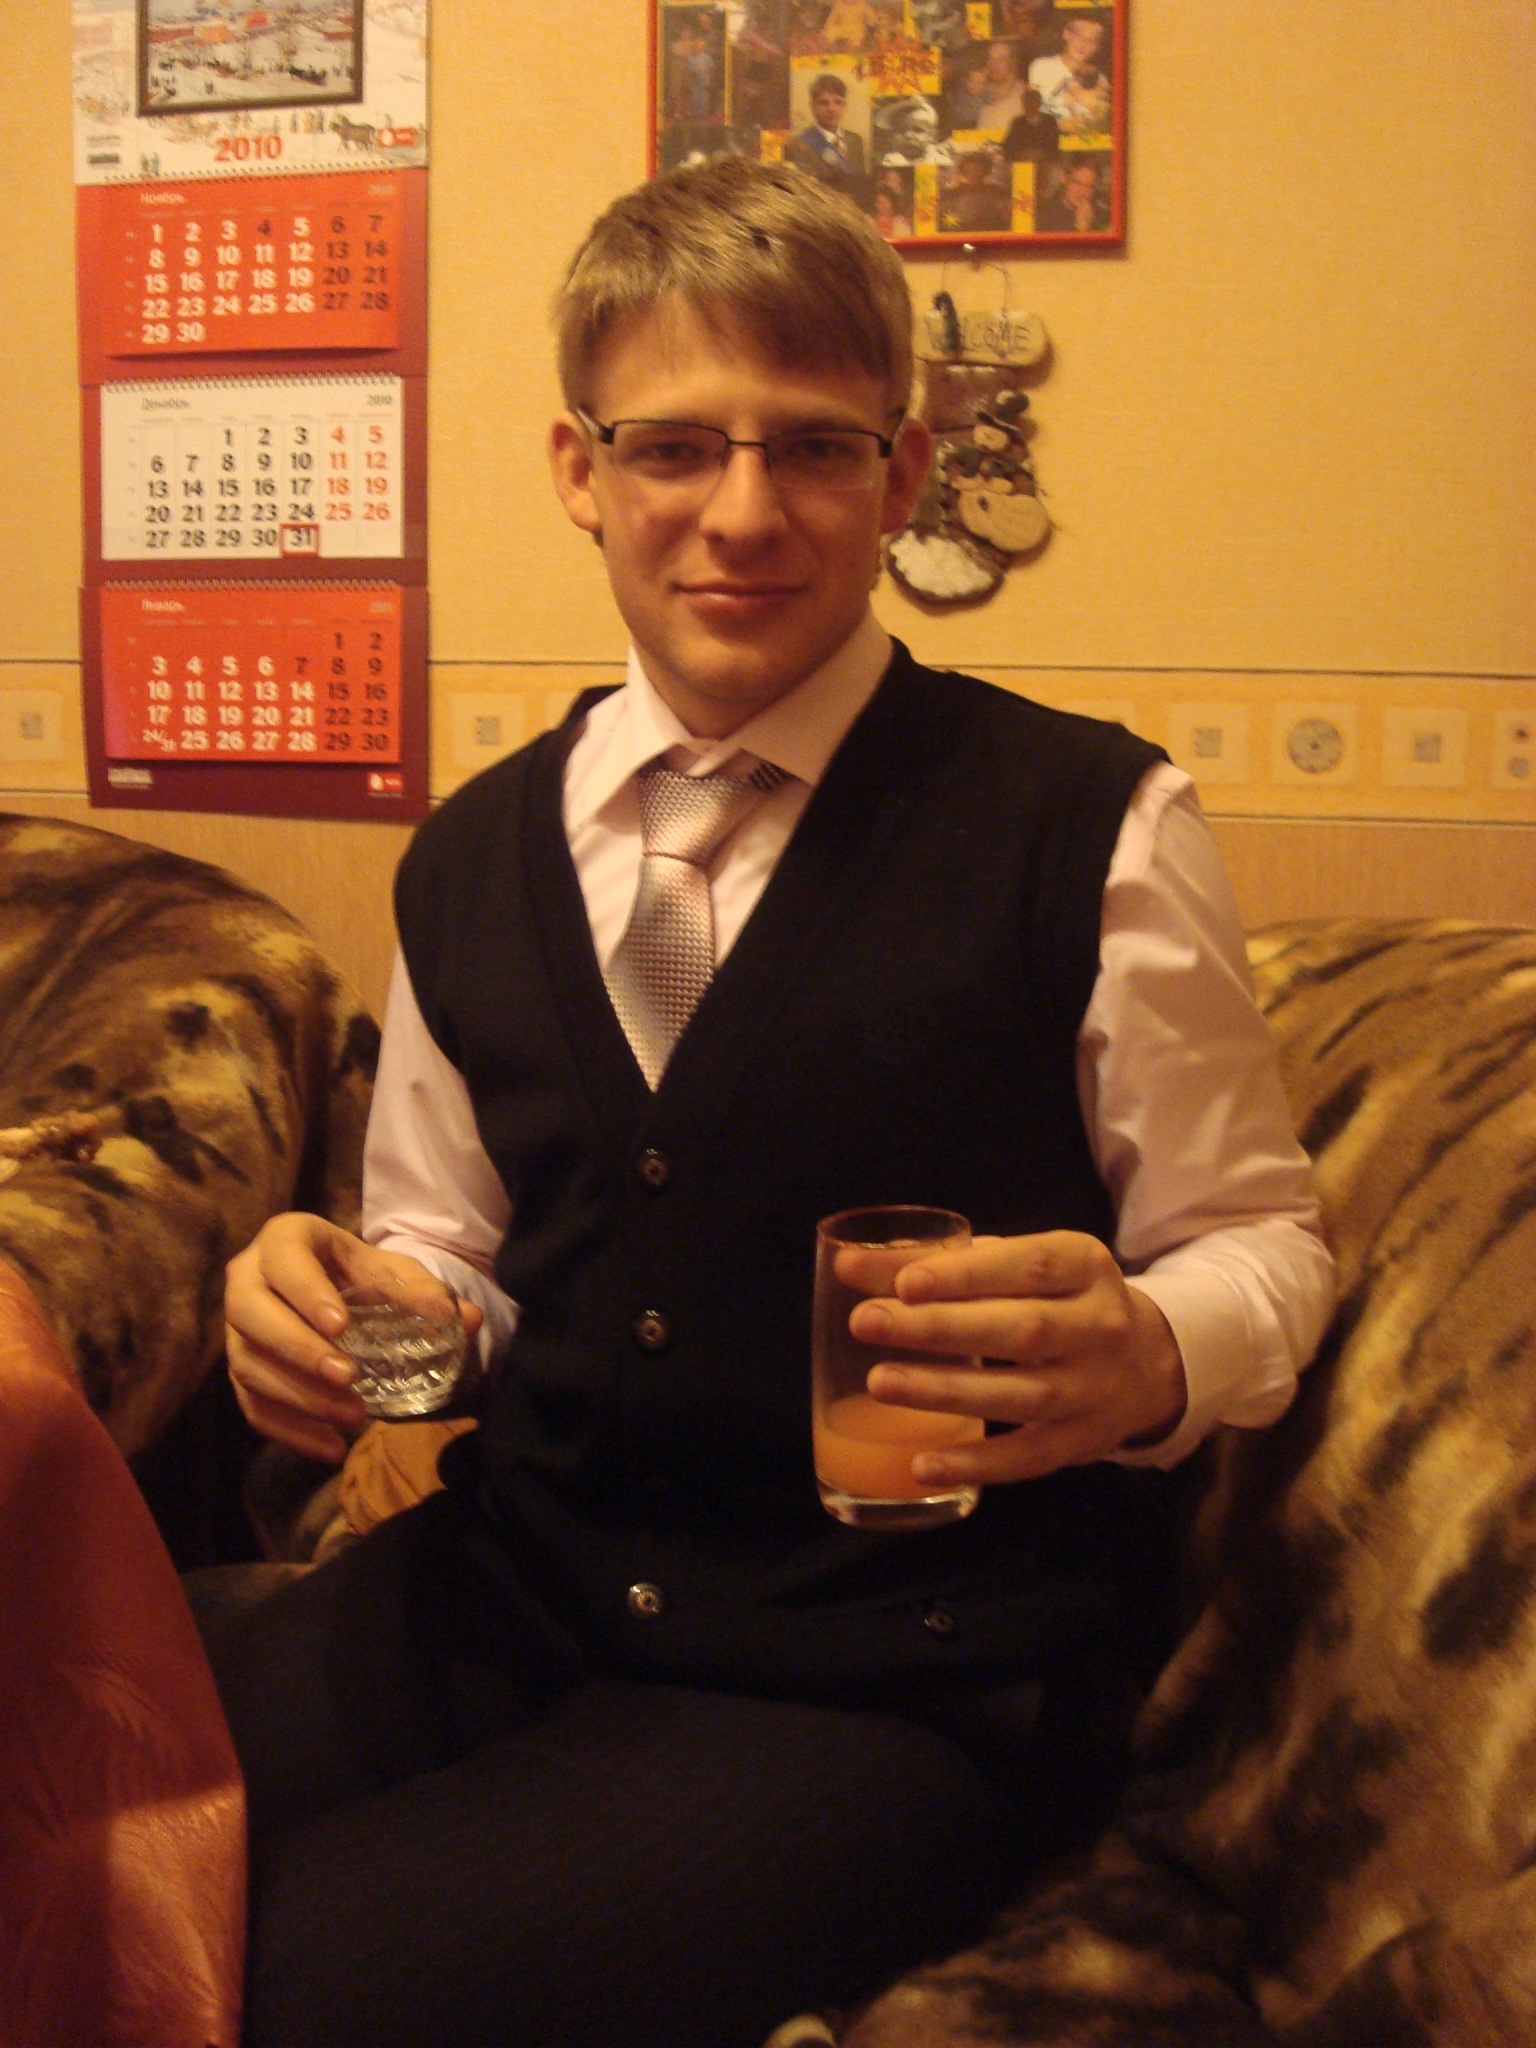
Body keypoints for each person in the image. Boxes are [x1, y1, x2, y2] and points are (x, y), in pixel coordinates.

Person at [215, 156, 1334, 2048]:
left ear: (902, 478)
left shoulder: (1093, 824)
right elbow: (454, 1257)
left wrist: (1154, 1350)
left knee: (300, 1979)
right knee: (73, 1781)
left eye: (815, 447)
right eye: (673, 448)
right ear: (579, 469)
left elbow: (1262, 1243)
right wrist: (357, 1325)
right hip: (512, 1585)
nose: (743, 513)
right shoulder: (473, 852)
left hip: (896, 1680)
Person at [783, 71, 868, 191]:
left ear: (844, 106)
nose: (831, 109)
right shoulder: (798, 145)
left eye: (837, 102)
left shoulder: (855, 141)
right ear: (812, 106)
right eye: (824, 103)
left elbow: (862, 186)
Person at [1029, 12, 1108, 122]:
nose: (1083, 44)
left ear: (1097, 47)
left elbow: (1101, 119)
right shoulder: (1041, 67)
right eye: (1079, 36)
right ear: (1066, 34)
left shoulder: (1100, 79)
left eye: (1091, 40)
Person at [1038, 153, 1111, 231]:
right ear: (1063, 178)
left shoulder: (1102, 216)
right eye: (1077, 183)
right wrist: (1080, 227)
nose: (1082, 192)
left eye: (1089, 186)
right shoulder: (1042, 213)